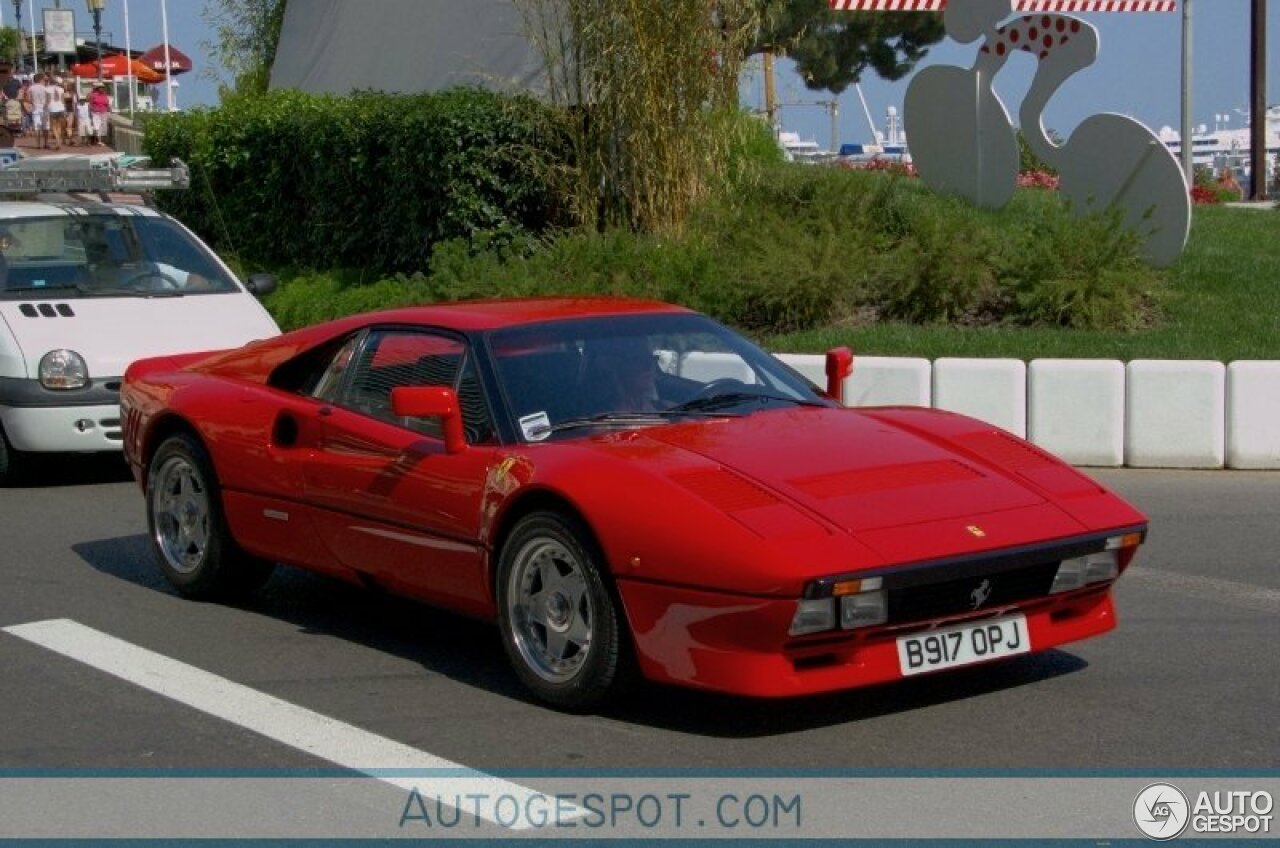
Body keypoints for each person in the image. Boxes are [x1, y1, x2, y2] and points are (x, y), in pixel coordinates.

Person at [582, 336, 665, 413]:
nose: (649, 366)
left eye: (652, 359)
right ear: (618, 366)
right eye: (640, 360)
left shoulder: (670, 410)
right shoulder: (602, 421)